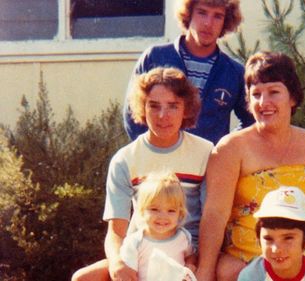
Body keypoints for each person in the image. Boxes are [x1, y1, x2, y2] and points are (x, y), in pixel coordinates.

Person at [196, 52, 305, 281]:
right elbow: (215, 215)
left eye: (274, 92)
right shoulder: (231, 148)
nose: (264, 103)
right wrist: (206, 270)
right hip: (254, 255)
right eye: (256, 95)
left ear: (292, 97)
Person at [72, 67, 213, 281]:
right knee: (83, 278)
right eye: (154, 106)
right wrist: (118, 263)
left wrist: (200, 265)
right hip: (141, 253)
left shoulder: (206, 152)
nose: (163, 116)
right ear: (142, 108)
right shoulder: (125, 159)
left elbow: (213, 219)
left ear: (185, 109)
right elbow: (116, 231)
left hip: (188, 256)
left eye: (173, 106)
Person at [123, 0, 254, 145]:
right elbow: (132, 115)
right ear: (188, 14)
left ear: (226, 21)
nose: (208, 23)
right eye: (202, 13)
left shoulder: (234, 72)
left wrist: (225, 148)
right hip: (160, 163)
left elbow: (252, 121)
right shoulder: (155, 57)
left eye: (218, 16)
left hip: (209, 165)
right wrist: (154, 150)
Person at [238, 186, 305, 281]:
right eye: (268, 239)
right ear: (258, 239)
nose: (276, 249)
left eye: (288, 238)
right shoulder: (251, 276)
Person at [119, 171, 196, 281]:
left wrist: (190, 264)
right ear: (141, 210)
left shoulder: (183, 236)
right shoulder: (135, 242)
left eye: (171, 210)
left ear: (180, 213)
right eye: (154, 209)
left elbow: (190, 256)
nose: (162, 216)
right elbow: (128, 275)